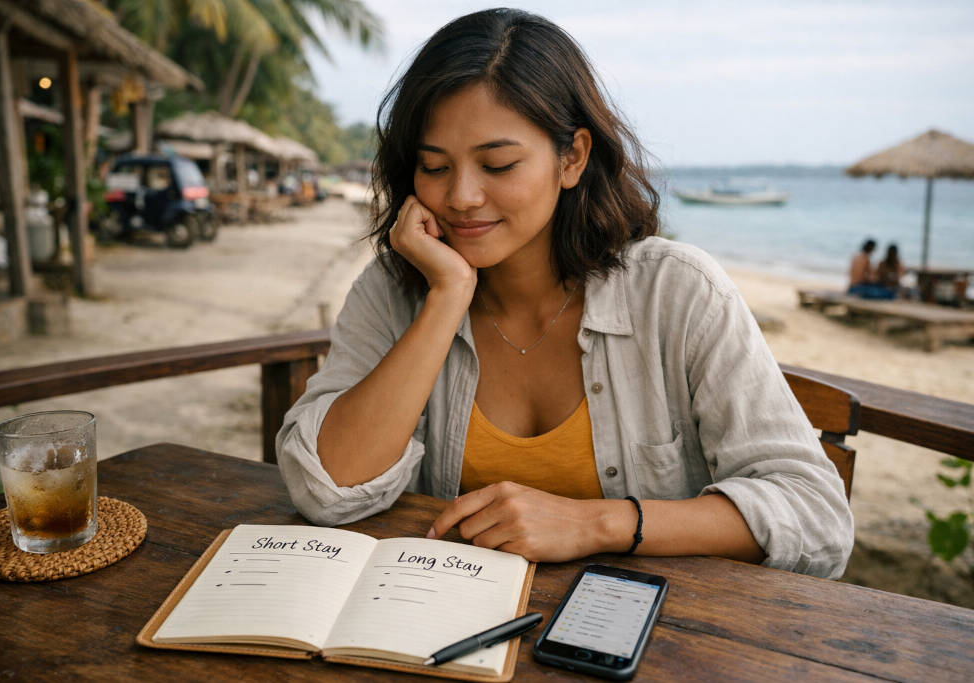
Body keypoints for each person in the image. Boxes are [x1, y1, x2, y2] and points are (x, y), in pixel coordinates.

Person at [276, 9, 852, 579]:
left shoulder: (676, 293)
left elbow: (816, 517)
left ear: (572, 157)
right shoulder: (395, 290)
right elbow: (326, 490)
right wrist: (447, 297)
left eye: (497, 164)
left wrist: (595, 524)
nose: (461, 197)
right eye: (434, 166)